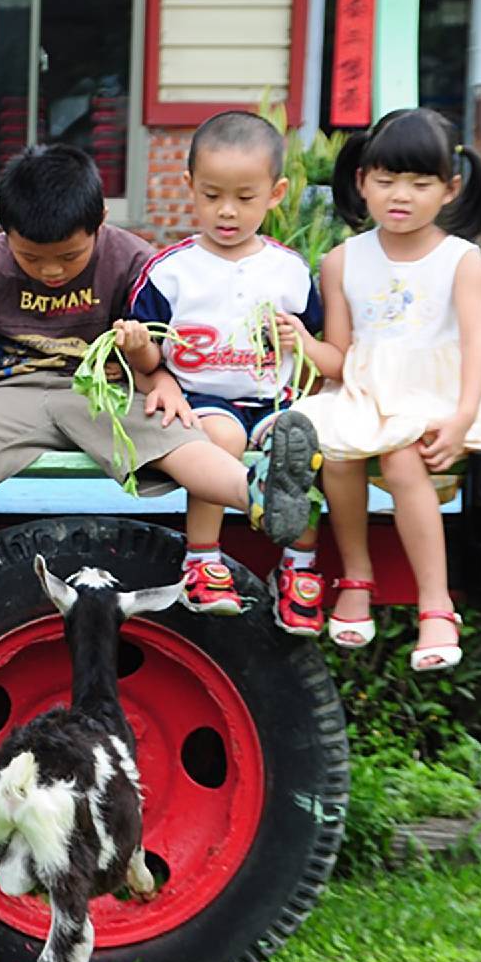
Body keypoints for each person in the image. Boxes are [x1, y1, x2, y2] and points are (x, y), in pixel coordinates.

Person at [0, 144, 325, 568]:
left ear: (100, 221)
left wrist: (155, 373)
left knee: (173, 435)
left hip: (100, 395)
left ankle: (257, 492)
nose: (51, 271)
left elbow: (154, 353)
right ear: (5, 232)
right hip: (11, 394)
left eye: (69, 257)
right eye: (31, 258)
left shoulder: (134, 258)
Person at [286, 108, 481, 672]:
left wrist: (462, 417)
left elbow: (477, 343)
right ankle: (356, 576)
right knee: (336, 453)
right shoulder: (342, 261)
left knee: (402, 458)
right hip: (364, 395)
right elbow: (339, 358)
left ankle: (436, 605)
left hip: (435, 397)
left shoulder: (460, 259)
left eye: (419, 183)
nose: (401, 196)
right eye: (386, 181)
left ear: (450, 189)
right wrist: (301, 344)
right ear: (362, 180)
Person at [118, 110, 327, 634]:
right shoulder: (171, 272)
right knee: (220, 436)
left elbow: (315, 347)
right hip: (202, 397)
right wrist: (143, 352)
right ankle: (203, 559)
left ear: (276, 193)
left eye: (245, 197)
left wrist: (298, 342)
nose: (227, 211)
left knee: (304, 445)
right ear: (189, 187)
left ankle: (299, 567)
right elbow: (145, 361)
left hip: (275, 398)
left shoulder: (289, 271)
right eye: (212, 196)